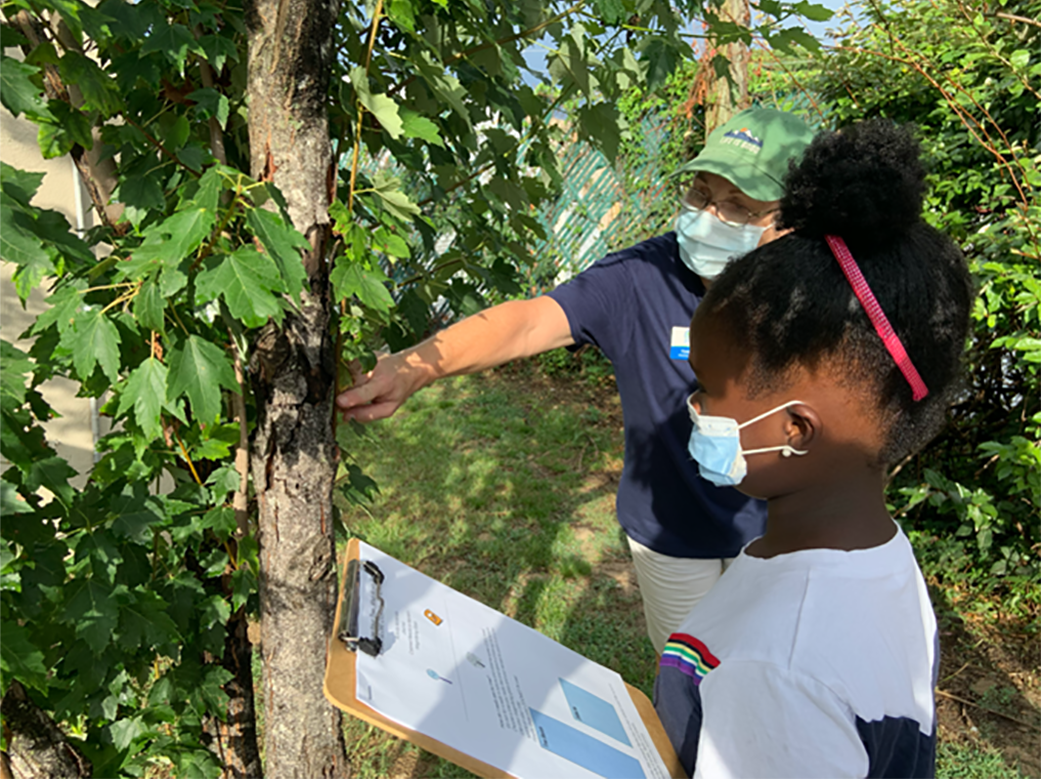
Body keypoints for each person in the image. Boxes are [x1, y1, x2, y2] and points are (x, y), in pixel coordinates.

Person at [337, 108, 815, 653]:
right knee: (694, 680)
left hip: (781, 530)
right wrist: (416, 365)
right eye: (701, 194)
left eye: (737, 207)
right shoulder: (642, 277)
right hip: (672, 531)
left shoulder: (819, 288)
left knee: (771, 672)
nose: (708, 216)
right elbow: (529, 322)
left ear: (791, 223)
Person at [654, 120, 973, 777]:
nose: (694, 407)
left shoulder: (775, 668)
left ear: (792, 428)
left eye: (709, 388)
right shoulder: (874, 557)